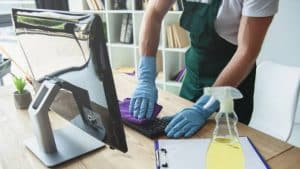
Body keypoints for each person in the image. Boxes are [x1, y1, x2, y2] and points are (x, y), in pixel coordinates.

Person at [129, 0, 279, 138]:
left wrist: (204, 107)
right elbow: (154, 11)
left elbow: (247, 52)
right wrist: (146, 78)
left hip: (231, 84)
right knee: (176, 142)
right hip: (193, 77)